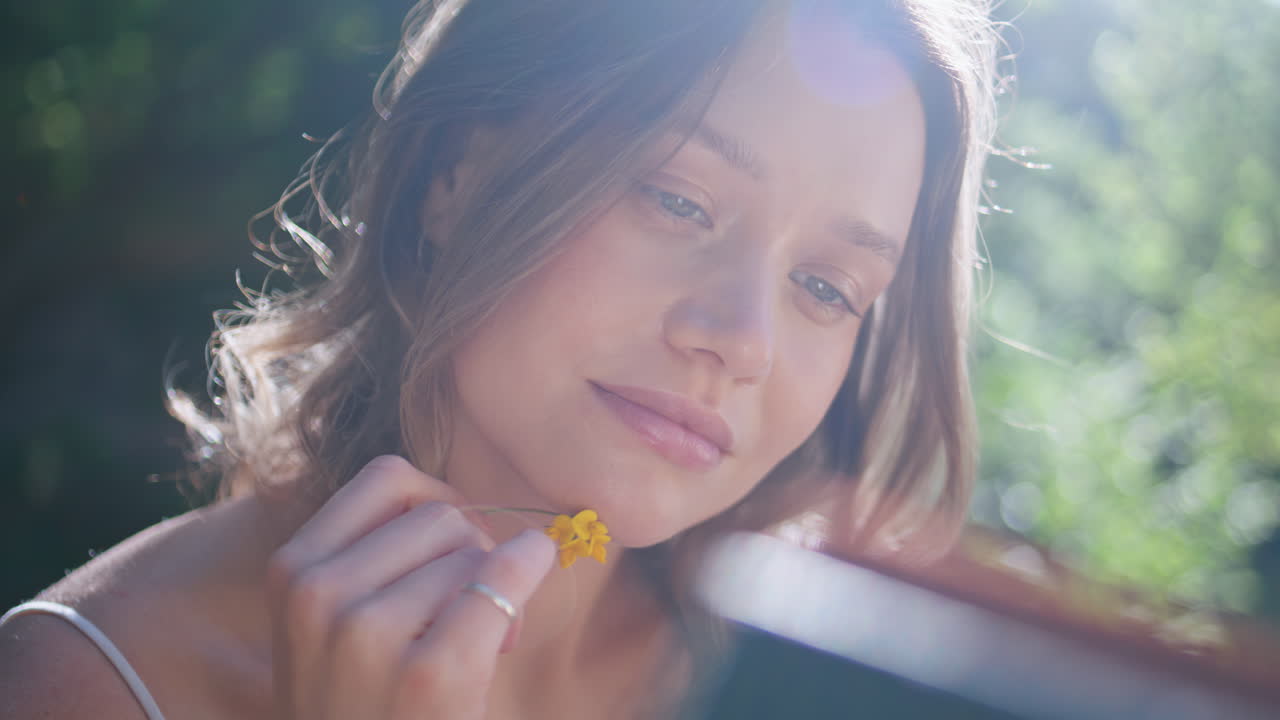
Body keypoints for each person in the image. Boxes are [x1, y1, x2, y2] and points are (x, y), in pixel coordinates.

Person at [0, 0, 1000, 717]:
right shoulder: (81, 685)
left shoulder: (795, 673)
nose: (743, 340)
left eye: (826, 288)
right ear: (456, 169)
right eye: (677, 200)